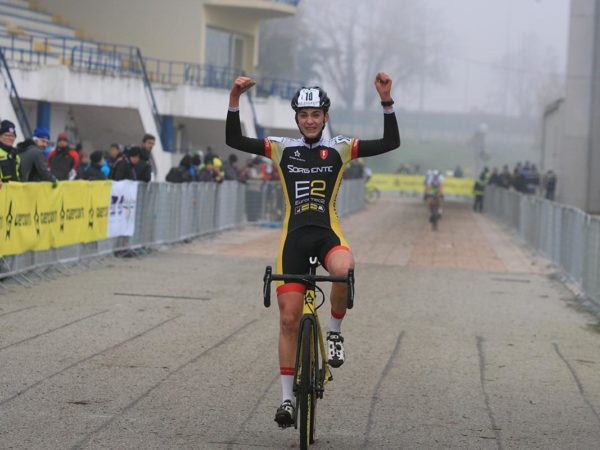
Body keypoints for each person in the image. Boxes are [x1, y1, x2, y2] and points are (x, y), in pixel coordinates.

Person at [226, 72, 400, 427]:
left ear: (325, 116)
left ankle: (334, 331)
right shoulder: (281, 148)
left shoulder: (340, 147)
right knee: (288, 319)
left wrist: (386, 100)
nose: (309, 120)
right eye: (303, 115)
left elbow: (390, 142)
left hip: (326, 235)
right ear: (296, 118)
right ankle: (287, 400)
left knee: (344, 270)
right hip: (293, 240)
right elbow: (234, 139)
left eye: (315, 114)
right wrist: (234, 99)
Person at [0, 120, 20, 189]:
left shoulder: (16, 153)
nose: (10, 138)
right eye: (7, 135)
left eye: (13, 136)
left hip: (14, 190)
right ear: (0, 136)